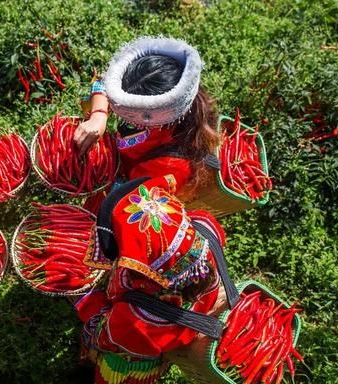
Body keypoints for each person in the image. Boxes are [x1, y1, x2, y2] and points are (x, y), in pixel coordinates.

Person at [77, 175, 228, 383]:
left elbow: (108, 337)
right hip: (190, 318)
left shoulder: (138, 317)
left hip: (136, 354)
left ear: (144, 273)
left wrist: (85, 299)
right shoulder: (205, 230)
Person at [75, 37, 220, 201]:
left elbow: (130, 198)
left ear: (151, 115)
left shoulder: (170, 165)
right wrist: (99, 115)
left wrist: (98, 174)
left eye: (128, 112)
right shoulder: (151, 87)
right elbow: (103, 82)